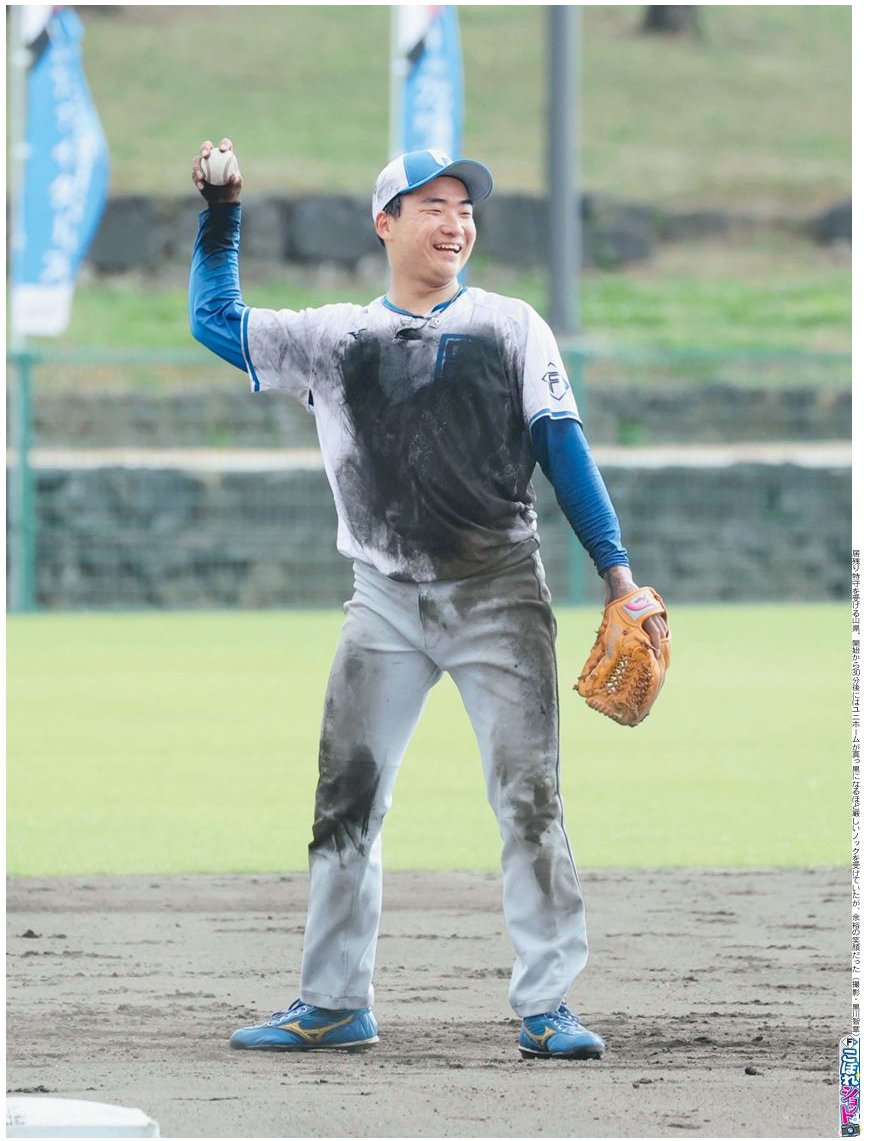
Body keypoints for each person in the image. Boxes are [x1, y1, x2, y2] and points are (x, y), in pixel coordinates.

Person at [189, 139, 668, 1060]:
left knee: (529, 799)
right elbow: (217, 322)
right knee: (346, 800)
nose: (456, 223)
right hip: (383, 600)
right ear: (386, 222)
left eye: (465, 208)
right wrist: (222, 215)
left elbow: (562, 445)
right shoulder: (332, 337)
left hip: (498, 592)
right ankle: (332, 1002)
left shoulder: (510, 324)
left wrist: (619, 575)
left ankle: (547, 1004)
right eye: (433, 206)